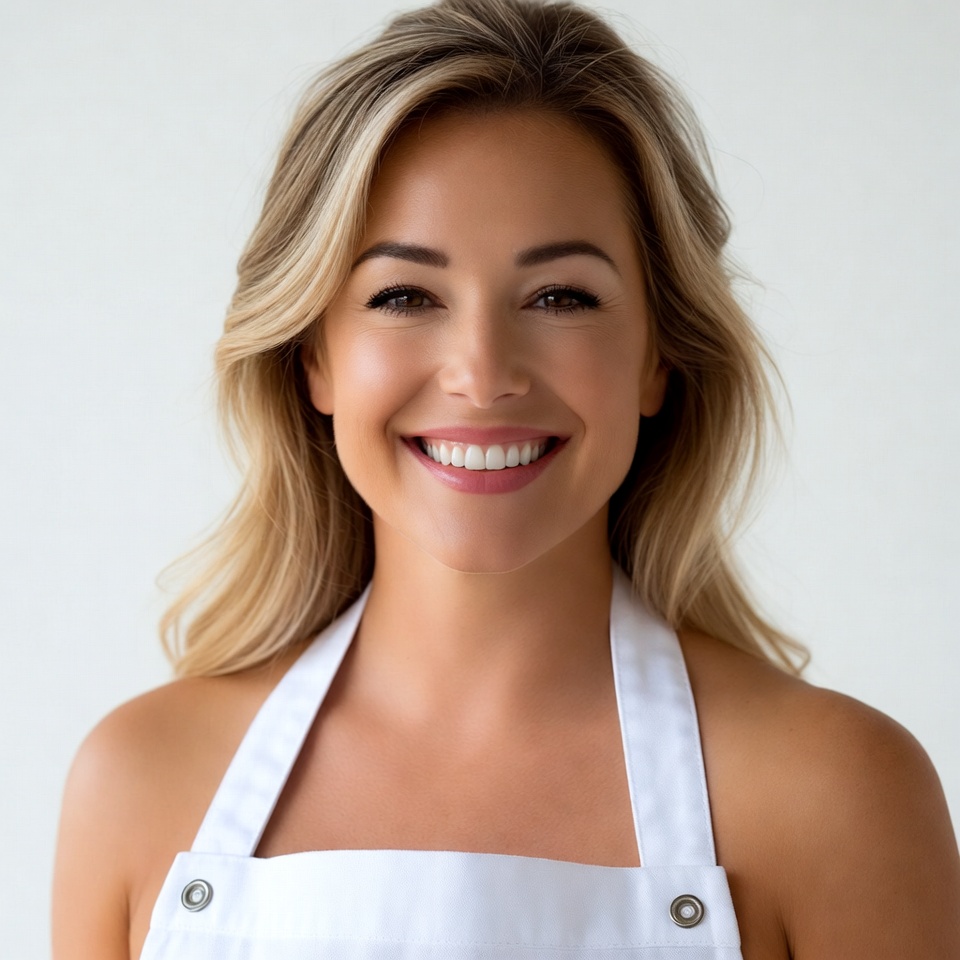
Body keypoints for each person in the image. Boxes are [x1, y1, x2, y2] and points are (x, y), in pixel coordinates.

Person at [52, 0, 960, 957]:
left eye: (561, 296)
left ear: (660, 358)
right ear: (313, 357)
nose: (482, 374)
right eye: (404, 296)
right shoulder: (139, 782)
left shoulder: (839, 796)